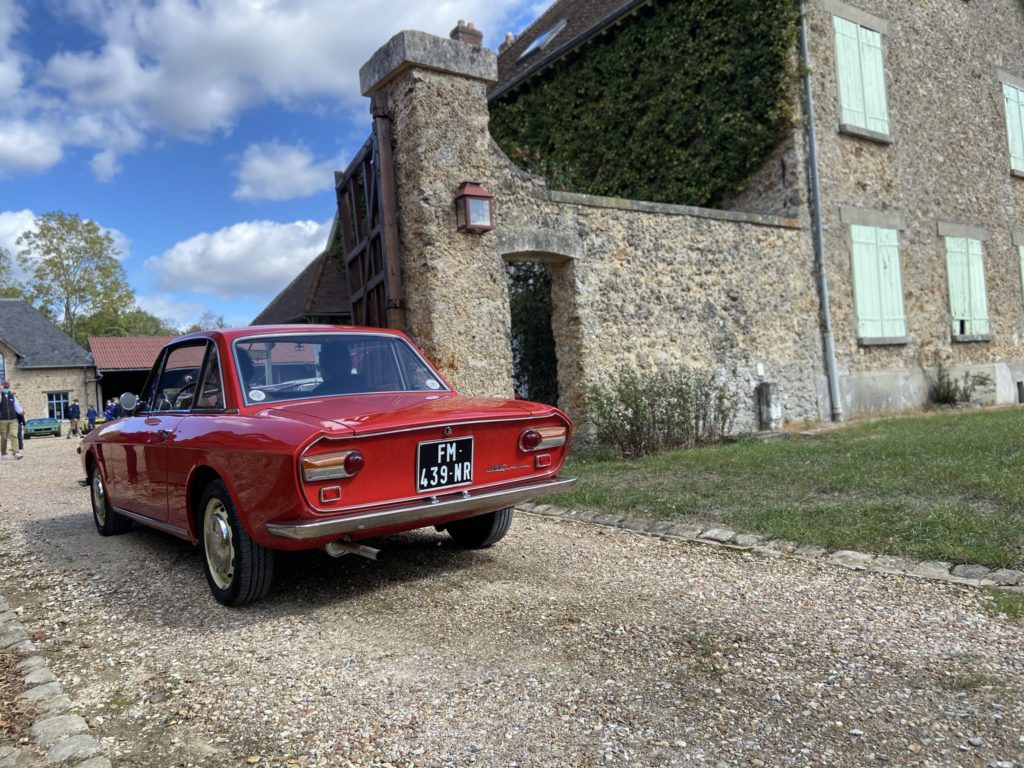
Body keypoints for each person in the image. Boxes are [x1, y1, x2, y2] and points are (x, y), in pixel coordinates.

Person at [0, 381, 24, 460]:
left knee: (14, 435)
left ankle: (16, 453)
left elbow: (17, 407)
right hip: (2, 420)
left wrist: (21, 412)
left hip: (13, 420)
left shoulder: (12, 397)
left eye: (7, 387)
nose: (6, 389)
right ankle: (3, 453)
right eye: (4, 387)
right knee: (3, 437)